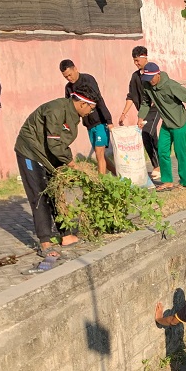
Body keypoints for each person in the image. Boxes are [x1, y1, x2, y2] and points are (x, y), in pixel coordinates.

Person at [14, 88, 99, 256]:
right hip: (30, 152)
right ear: (82, 103)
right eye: (91, 108)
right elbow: (54, 143)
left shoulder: (73, 114)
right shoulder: (56, 110)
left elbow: (59, 144)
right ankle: (45, 242)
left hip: (48, 155)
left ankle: (66, 235)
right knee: (39, 195)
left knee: (57, 192)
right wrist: (70, 162)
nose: (91, 111)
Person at [59, 60, 114, 175]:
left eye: (70, 74)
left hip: (100, 122)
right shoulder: (68, 88)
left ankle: (101, 185)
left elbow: (99, 99)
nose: (69, 78)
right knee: (101, 156)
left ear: (75, 68)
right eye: (65, 77)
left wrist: (109, 121)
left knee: (99, 154)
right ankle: (118, 175)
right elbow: (69, 109)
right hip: (88, 125)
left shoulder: (88, 80)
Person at [117, 46, 161, 180]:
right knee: (147, 137)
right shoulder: (135, 77)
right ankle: (159, 163)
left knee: (149, 132)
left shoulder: (154, 71)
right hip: (143, 111)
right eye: (134, 61)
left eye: (138, 60)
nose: (136, 63)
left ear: (145, 57)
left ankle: (158, 166)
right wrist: (124, 113)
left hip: (155, 108)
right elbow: (131, 96)